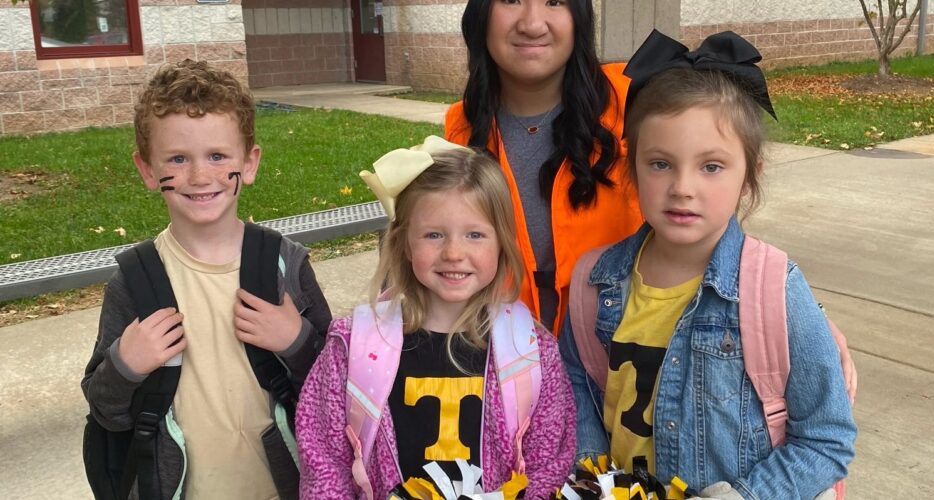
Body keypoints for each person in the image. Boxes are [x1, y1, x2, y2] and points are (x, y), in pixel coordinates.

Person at [559, 31, 857, 499]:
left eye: (711, 167)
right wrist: (594, 475)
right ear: (632, 169)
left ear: (749, 176)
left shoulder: (774, 290)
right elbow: (578, 388)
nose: (683, 187)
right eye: (660, 164)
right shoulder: (594, 285)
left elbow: (826, 440)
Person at [81, 59, 332, 499]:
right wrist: (125, 365)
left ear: (249, 163)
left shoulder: (284, 267)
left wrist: (297, 342)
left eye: (217, 156)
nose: (200, 177)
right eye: (178, 159)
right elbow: (106, 411)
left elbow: (335, 391)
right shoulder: (136, 281)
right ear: (147, 170)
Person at [295, 137, 575, 499]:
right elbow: (324, 460)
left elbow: (548, 464)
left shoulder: (531, 351)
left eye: (475, 234)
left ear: (502, 243)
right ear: (404, 243)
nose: (454, 253)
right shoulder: (353, 348)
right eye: (434, 235)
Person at [445, 0, 644, 335]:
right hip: (503, 351)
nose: (532, 24)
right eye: (511, 0)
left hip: (621, 350)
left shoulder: (635, 102)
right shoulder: (460, 130)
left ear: (578, 17)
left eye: (554, 2)